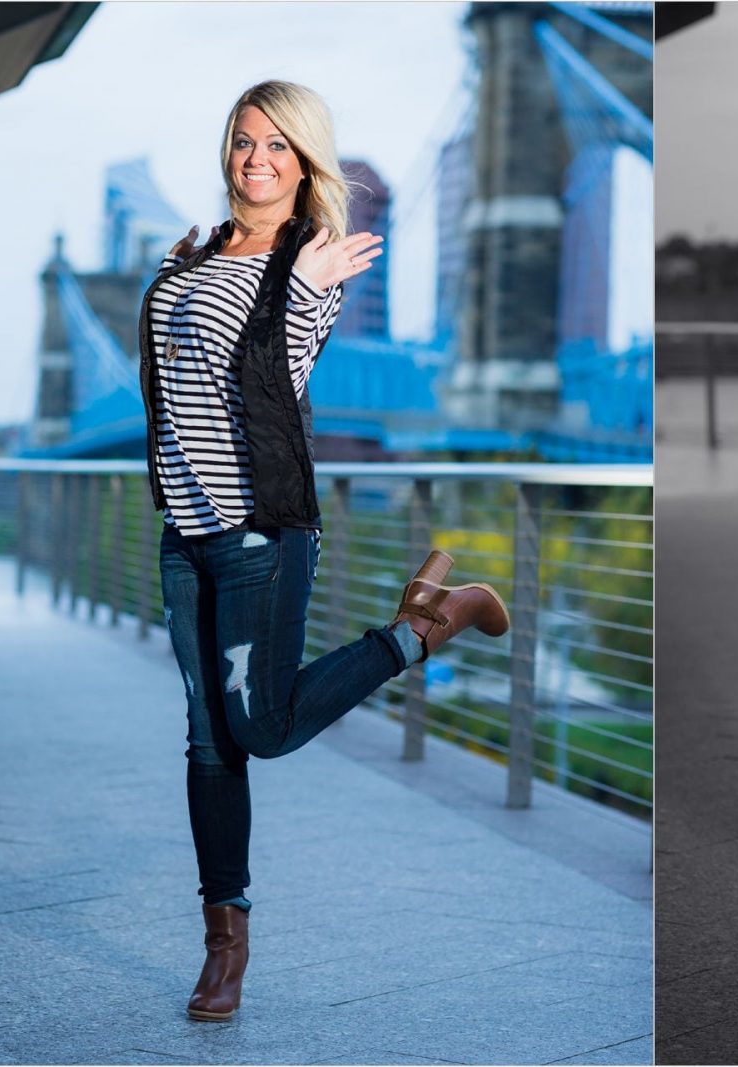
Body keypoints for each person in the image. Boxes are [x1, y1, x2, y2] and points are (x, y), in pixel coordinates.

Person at [141, 81, 510, 1021]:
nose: (255, 157)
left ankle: (425, 629)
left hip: (263, 533)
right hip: (187, 538)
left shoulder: (313, 264)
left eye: (277, 145)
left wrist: (300, 286)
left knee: (259, 728)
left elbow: (272, 376)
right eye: (242, 141)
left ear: (304, 163)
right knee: (207, 740)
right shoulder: (187, 256)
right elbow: (168, 388)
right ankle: (223, 946)